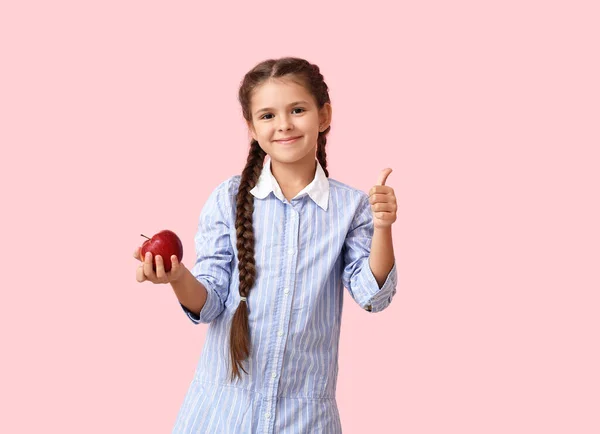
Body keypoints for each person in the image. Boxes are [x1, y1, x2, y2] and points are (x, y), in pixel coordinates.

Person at [133, 57, 398, 434]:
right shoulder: (227, 199)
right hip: (220, 416)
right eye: (267, 115)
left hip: (305, 420)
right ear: (252, 129)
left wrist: (383, 226)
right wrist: (177, 276)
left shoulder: (351, 208)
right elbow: (208, 304)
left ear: (324, 116)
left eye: (298, 110)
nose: (284, 124)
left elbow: (371, 295)